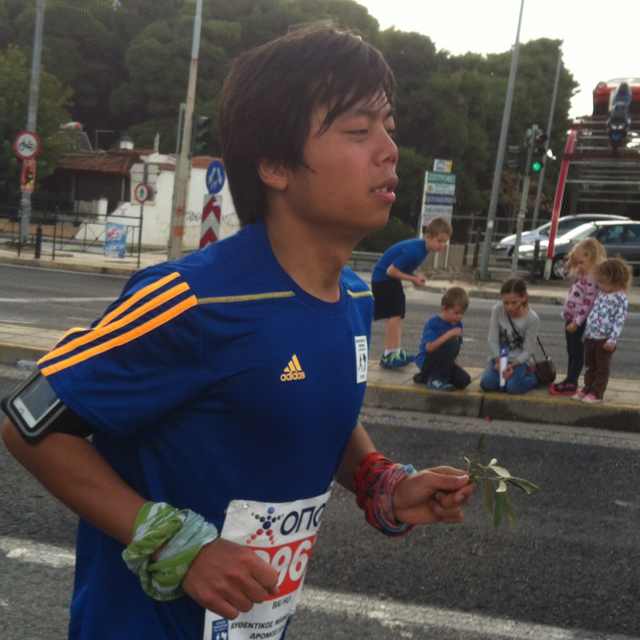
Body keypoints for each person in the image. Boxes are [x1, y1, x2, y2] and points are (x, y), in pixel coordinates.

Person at [1, 27, 473, 640]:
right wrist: (180, 547)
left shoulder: (356, 299)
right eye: (359, 131)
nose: (389, 150)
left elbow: (309, 407)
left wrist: (379, 480)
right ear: (274, 165)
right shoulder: (193, 301)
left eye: (389, 127)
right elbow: (29, 423)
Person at [371, 217, 451, 369]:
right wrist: (413, 279)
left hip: (388, 280)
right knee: (394, 315)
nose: (442, 245)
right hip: (384, 279)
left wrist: (414, 276)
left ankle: (394, 352)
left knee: (397, 315)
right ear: (428, 236)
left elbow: (400, 268)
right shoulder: (415, 251)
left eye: (445, 242)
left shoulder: (422, 249)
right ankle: (390, 355)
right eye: (440, 241)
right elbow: (391, 270)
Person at [549, 238, 605, 396]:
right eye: (577, 262)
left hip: (579, 321)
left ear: (591, 258)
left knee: (576, 351)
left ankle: (572, 382)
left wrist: (577, 322)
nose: (579, 266)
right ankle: (569, 379)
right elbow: (565, 274)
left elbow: (588, 303)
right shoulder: (583, 273)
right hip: (571, 318)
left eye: (581, 262)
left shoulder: (592, 278)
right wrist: (571, 264)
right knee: (571, 350)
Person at [573, 257, 631, 404]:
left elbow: (619, 320)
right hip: (591, 337)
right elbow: (594, 313)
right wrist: (586, 333)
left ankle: (597, 393)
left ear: (616, 280)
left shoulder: (621, 298)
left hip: (604, 340)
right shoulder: (602, 293)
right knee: (590, 366)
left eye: (602, 282)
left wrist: (612, 339)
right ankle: (587, 388)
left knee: (601, 368)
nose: (599, 285)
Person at [480, 278, 540, 395]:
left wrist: (512, 365)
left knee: (512, 388)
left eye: (514, 303)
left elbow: (528, 351)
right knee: (487, 384)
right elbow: (492, 339)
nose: (509, 307)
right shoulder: (497, 310)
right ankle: (507, 380)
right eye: (506, 303)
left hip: (519, 361)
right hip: (499, 358)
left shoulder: (532, 319)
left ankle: (533, 378)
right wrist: (499, 361)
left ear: (523, 298)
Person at [413, 286, 471, 391]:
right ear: (444, 308)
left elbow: (454, 351)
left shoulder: (458, 324)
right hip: (428, 361)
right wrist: (449, 334)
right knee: (451, 342)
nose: (459, 317)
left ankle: (425, 377)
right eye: (456, 313)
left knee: (464, 380)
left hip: (444, 364)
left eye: (462, 313)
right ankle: (434, 380)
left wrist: (453, 366)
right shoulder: (433, 323)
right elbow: (429, 348)